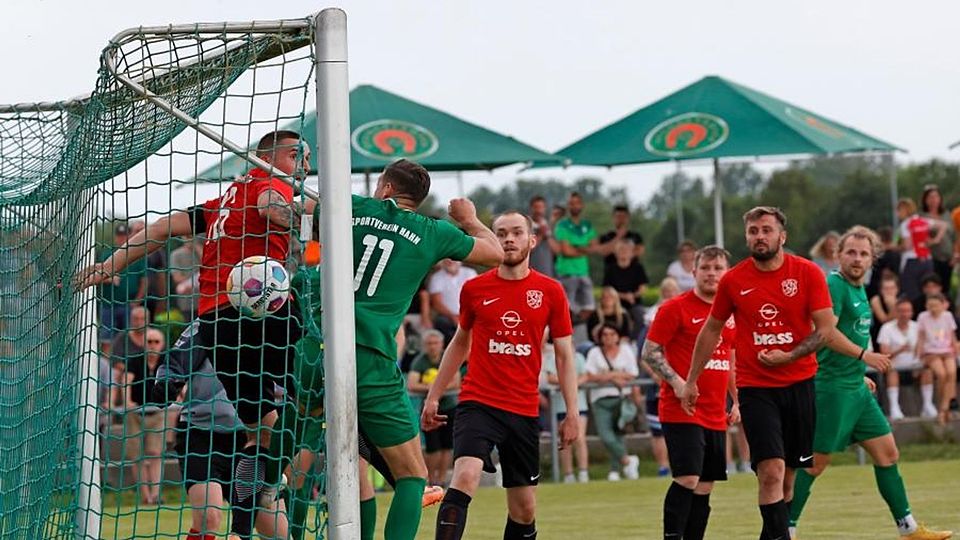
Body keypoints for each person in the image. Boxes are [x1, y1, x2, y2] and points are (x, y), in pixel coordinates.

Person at [77, 130, 313, 538]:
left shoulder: (224, 201)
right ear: (278, 157)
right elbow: (274, 207)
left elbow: (165, 225)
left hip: (215, 320)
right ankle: (334, 466)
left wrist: (112, 264)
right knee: (310, 404)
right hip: (261, 315)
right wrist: (309, 214)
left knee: (260, 427)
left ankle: (253, 512)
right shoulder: (268, 184)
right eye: (300, 157)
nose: (305, 167)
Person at [680, 207, 891, 540]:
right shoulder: (734, 279)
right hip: (756, 388)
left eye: (766, 230)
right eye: (753, 230)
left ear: (782, 236)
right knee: (771, 471)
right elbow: (711, 329)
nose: (759, 236)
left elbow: (824, 330)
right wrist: (691, 381)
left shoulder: (806, 273)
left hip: (800, 385)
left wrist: (789, 355)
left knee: (790, 477)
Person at [346, 159, 504, 540]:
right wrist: (469, 217)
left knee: (339, 466)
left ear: (384, 188)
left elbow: (293, 207)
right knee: (414, 477)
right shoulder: (432, 231)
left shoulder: (352, 207)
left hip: (314, 349)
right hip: (370, 355)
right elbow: (495, 253)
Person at [787, 225, 952, 540]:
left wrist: (858, 371)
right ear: (838, 255)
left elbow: (844, 335)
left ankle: (909, 529)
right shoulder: (834, 285)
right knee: (815, 464)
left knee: (888, 453)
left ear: (873, 259)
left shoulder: (861, 288)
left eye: (864, 254)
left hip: (855, 388)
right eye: (851, 252)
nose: (857, 259)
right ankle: (785, 527)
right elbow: (826, 333)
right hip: (831, 389)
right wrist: (865, 356)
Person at [422, 211, 579, 540]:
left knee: (524, 510)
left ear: (531, 241)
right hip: (478, 402)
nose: (509, 239)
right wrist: (434, 395)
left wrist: (572, 414)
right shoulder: (475, 288)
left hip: (523, 409)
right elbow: (460, 342)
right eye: (502, 233)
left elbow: (564, 356)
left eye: (517, 232)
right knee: (465, 476)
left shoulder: (550, 291)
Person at [641, 245, 738, 540]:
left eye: (718, 268)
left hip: (715, 410)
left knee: (705, 485)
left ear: (727, 273)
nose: (711, 274)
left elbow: (730, 358)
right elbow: (650, 352)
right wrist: (678, 383)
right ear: (693, 272)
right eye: (705, 268)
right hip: (681, 409)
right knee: (688, 478)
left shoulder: (730, 314)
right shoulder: (674, 308)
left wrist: (738, 399)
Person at [119, 326, 170, 506]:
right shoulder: (134, 361)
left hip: (158, 413)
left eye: (156, 342)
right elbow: (126, 381)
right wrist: (127, 402)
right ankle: (145, 495)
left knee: (156, 453)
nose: (153, 345)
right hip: (136, 414)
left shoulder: (166, 361)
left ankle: (156, 495)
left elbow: (178, 382)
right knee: (137, 455)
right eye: (149, 341)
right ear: (143, 343)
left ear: (162, 344)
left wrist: (179, 400)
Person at [585, 323, 642, 482]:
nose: (608, 338)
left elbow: (632, 374)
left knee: (618, 434)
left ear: (617, 336)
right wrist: (615, 376)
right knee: (606, 435)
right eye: (605, 335)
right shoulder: (595, 352)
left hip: (621, 397)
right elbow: (590, 375)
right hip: (600, 398)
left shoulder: (626, 350)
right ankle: (628, 461)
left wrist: (608, 375)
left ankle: (615, 470)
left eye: (612, 334)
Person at [408, 329, 460, 486]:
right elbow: (411, 384)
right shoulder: (419, 361)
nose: (433, 346)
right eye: (429, 343)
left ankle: (442, 479)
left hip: (450, 407)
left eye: (435, 343)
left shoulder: (448, 357)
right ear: (424, 345)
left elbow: (456, 382)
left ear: (442, 344)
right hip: (429, 409)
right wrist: (436, 388)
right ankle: (430, 479)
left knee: (447, 445)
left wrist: (433, 387)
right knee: (432, 447)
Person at [540, 335, 590, 483]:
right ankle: (568, 473)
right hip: (559, 406)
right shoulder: (552, 358)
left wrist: (570, 382)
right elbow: (550, 378)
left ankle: (583, 471)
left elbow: (586, 376)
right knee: (564, 441)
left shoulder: (579, 358)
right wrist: (570, 380)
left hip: (579, 406)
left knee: (580, 438)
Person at [877, 297, 936, 419]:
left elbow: (924, 348)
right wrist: (900, 350)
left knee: (928, 369)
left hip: (915, 366)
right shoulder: (886, 328)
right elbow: (884, 354)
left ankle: (927, 405)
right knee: (892, 370)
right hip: (895, 367)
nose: (905, 314)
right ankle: (894, 407)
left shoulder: (917, 326)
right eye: (901, 311)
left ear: (912, 312)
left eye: (907, 311)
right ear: (896, 312)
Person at [97, 223, 147, 345]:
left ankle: (124, 364)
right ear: (115, 237)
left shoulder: (137, 254)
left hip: (128, 304)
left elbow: (144, 281)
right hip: (108, 304)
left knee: (128, 339)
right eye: (119, 236)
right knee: (106, 339)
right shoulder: (107, 255)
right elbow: (96, 277)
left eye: (124, 235)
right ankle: (106, 364)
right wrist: (109, 278)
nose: (122, 239)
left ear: (129, 236)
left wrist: (137, 301)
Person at [554, 192, 599, 323]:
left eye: (577, 203)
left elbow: (594, 247)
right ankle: (569, 334)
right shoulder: (562, 225)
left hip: (583, 272)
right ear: (568, 206)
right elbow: (566, 251)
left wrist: (576, 247)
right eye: (571, 203)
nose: (574, 206)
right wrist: (584, 248)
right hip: (567, 273)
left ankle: (576, 329)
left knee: (589, 307)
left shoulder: (587, 225)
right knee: (567, 309)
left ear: (582, 205)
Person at [916, 292, 959, 426]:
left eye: (936, 305)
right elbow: (921, 337)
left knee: (951, 372)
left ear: (942, 305)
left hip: (947, 351)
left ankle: (944, 408)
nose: (933, 308)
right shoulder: (923, 317)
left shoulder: (948, 316)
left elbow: (952, 336)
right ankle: (944, 407)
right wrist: (919, 353)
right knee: (941, 374)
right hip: (931, 352)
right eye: (930, 306)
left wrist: (955, 350)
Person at [897, 198, 945, 302]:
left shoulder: (906, 224)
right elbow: (943, 225)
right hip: (926, 259)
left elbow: (907, 245)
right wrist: (935, 240)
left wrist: (893, 247)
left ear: (904, 209)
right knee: (929, 291)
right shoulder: (923, 220)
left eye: (898, 210)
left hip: (911, 261)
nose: (897, 213)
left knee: (911, 293)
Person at [602, 238, 649, 334]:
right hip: (615, 303)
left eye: (627, 250)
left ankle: (634, 340)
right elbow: (606, 289)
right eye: (621, 250)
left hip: (634, 303)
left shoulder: (638, 268)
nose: (624, 252)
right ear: (616, 253)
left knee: (641, 316)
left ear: (632, 253)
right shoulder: (610, 269)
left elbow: (643, 288)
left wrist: (633, 296)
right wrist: (624, 296)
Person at [428, 259, 478, 342]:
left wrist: (465, 315)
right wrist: (453, 316)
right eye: (447, 261)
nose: (450, 262)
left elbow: (477, 296)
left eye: (453, 260)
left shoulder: (470, 273)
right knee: (441, 322)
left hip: (469, 313)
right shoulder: (436, 277)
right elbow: (436, 303)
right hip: (448, 316)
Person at [920, 184, 954, 296]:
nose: (933, 200)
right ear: (925, 200)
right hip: (932, 259)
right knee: (934, 287)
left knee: (947, 289)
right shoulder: (922, 216)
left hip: (949, 258)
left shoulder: (947, 215)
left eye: (936, 197)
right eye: (930, 197)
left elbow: (954, 235)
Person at [529, 195, 559, 277]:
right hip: (530, 273)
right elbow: (525, 250)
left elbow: (557, 251)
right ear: (531, 208)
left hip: (548, 274)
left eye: (541, 207)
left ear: (545, 209)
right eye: (536, 207)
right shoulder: (526, 226)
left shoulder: (548, 227)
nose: (538, 210)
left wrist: (547, 235)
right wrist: (540, 235)